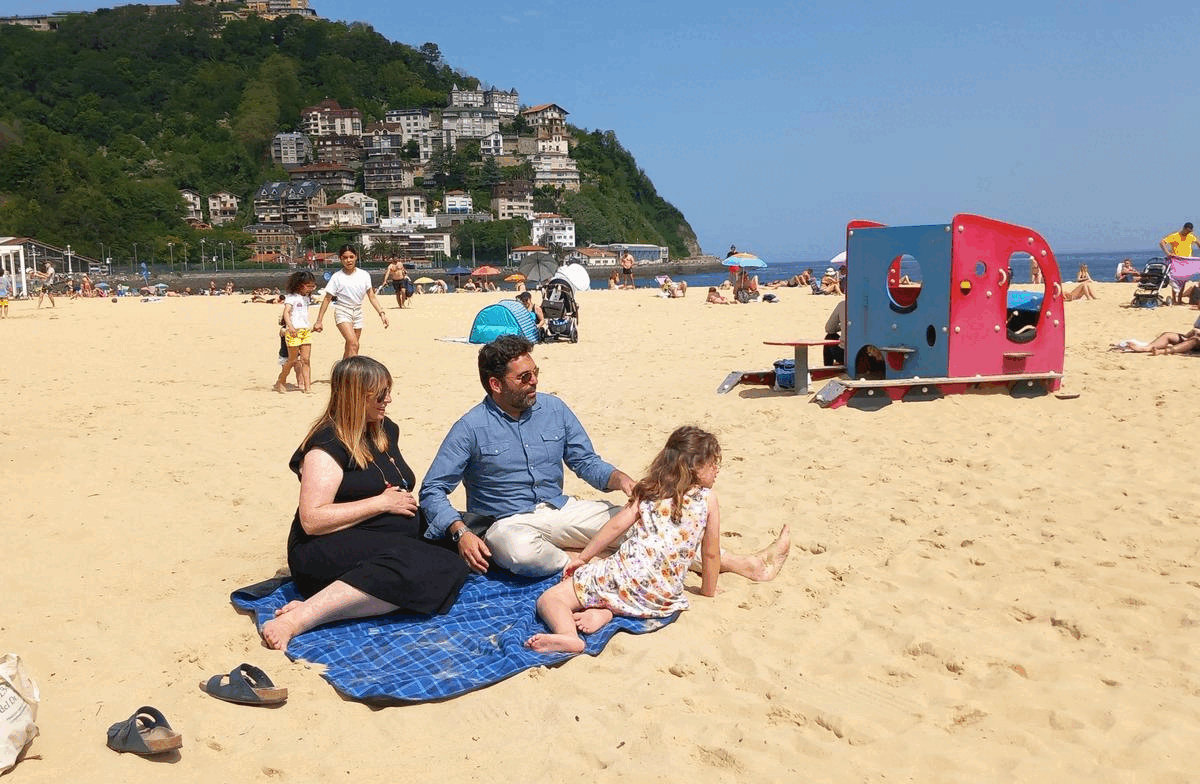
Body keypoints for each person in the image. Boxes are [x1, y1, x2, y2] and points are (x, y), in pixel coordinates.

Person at [419, 335, 791, 580]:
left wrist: (623, 482)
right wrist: (461, 532)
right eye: (524, 377)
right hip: (508, 522)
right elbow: (433, 490)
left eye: (536, 374)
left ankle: (743, 563)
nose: (535, 382)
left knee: (646, 522)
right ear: (495, 384)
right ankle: (586, 562)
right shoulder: (470, 427)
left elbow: (586, 462)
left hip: (561, 509)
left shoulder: (555, 409)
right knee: (513, 548)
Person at [261, 356, 470, 651]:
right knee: (424, 564)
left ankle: (335, 603)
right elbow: (312, 519)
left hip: (377, 537)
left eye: (388, 391)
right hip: (322, 547)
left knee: (455, 539)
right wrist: (381, 504)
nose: (389, 400)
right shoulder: (327, 445)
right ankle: (300, 618)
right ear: (357, 396)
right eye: (381, 394)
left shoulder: (384, 430)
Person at [525, 426, 725, 654]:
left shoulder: (651, 490)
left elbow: (616, 526)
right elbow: (711, 552)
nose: (717, 469)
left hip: (628, 579)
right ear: (695, 467)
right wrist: (709, 589)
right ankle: (607, 611)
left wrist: (583, 557)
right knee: (618, 575)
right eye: (713, 463)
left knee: (550, 599)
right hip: (663, 597)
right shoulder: (709, 501)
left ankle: (568, 635)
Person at [314, 245, 389, 359]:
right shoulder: (337, 277)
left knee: (351, 346)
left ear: (356, 257)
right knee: (354, 343)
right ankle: (353, 375)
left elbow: (371, 296)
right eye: (345, 258)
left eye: (351, 257)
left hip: (358, 312)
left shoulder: (364, 275)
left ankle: (343, 373)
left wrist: (381, 313)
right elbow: (327, 298)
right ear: (341, 259)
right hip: (342, 311)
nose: (348, 260)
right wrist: (319, 321)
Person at [275, 270, 317, 394]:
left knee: (306, 359)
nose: (310, 289)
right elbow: (286, 312)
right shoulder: (291, 298)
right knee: (292, 359)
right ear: (300, 284)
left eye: (312, 286)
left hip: (305, 331)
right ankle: (281, 381)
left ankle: (307, 387)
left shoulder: (307, 298)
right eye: (308, 286)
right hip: (293, 331)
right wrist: (290, 326)